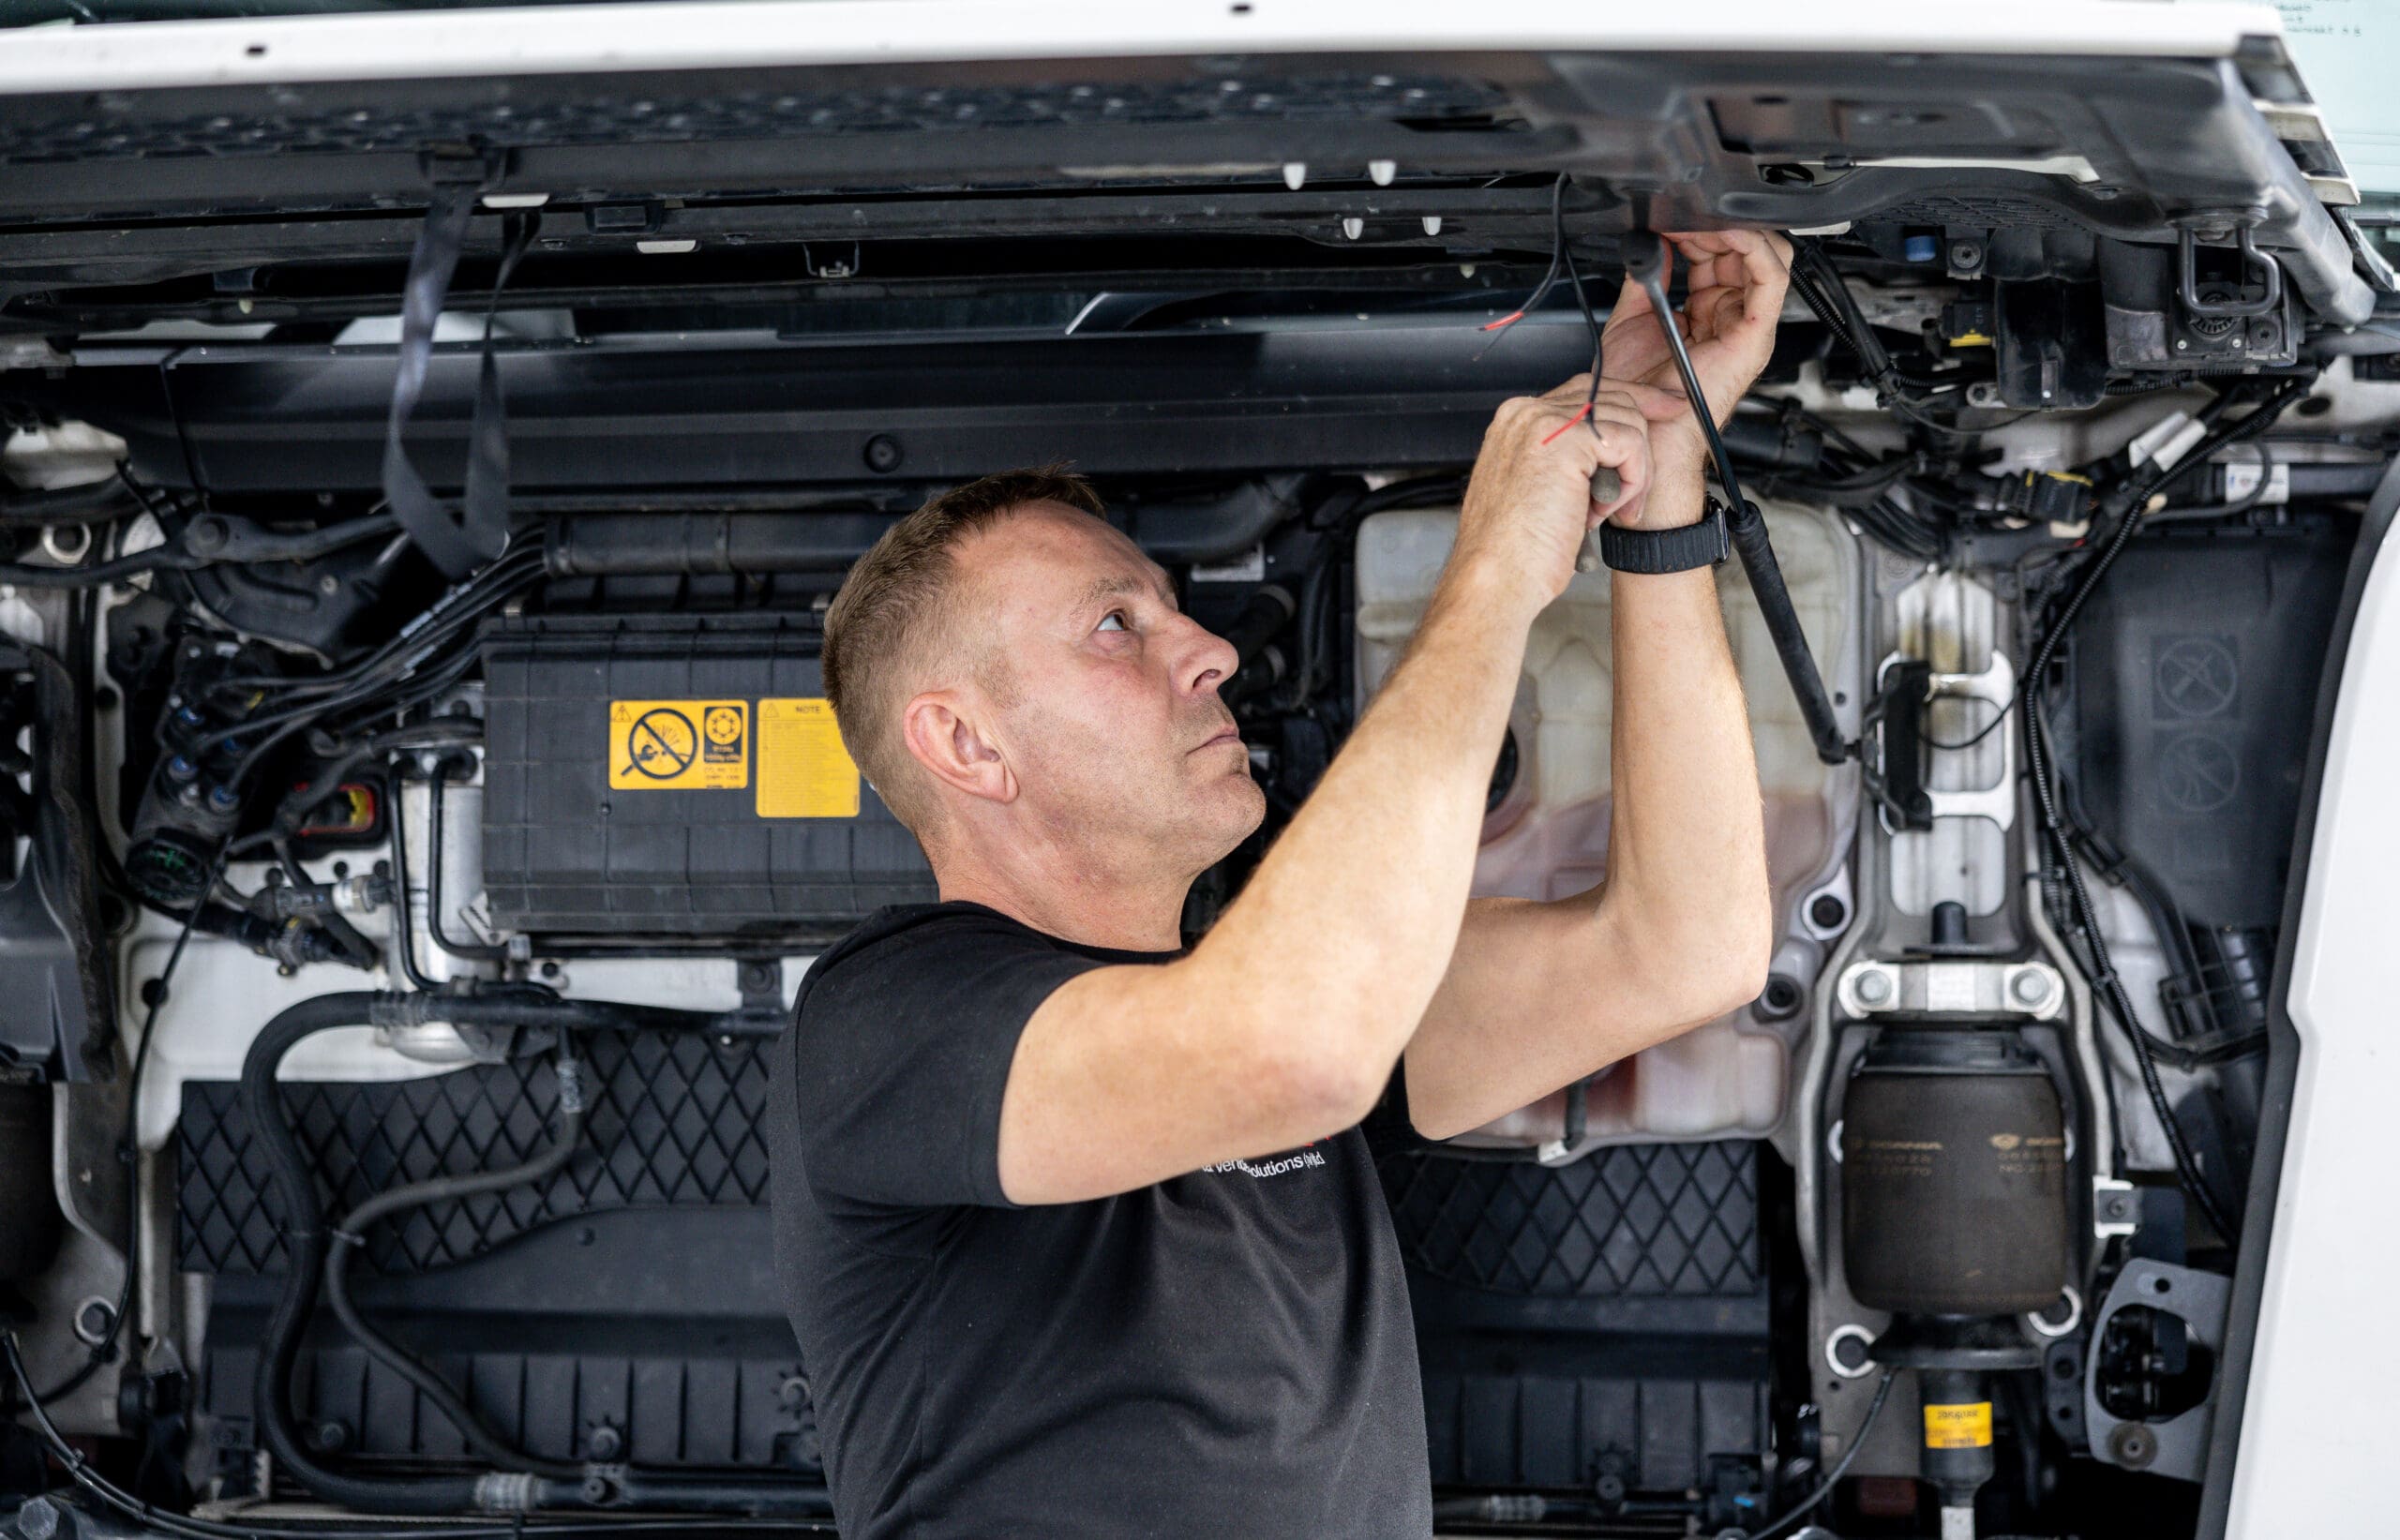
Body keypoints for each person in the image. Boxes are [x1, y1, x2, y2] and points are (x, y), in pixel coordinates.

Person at [764, 230, 1790, 1538]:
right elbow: (1289, 1049)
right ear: (967, 746)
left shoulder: (1284, 997)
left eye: (1170, 607)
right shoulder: (886, 1021)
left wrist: (1668, 480)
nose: (1207, 650)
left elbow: (1685, 950)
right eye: (1116, 626)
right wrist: (1491, 571)